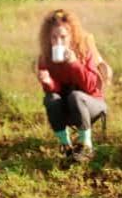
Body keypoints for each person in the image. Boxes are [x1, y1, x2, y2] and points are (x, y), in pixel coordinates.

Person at [37, 8, 112, 163]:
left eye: (63, 37)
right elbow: (55, 91)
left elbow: (92, 87)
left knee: (76, 96)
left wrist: (74, 64)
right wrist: (48, 82)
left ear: (71, 37)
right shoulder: (45, 57)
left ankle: (86, 146)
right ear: (48, 38)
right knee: (51, 99)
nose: (58, 42)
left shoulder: (85, 51)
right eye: (54, 38)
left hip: (92, 103)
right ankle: (66, 146)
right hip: (69, 107)